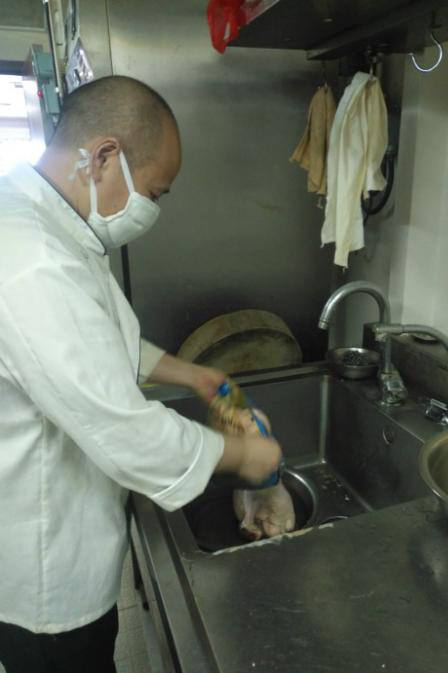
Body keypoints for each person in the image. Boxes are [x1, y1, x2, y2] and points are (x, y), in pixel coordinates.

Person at [0, 75, 281, 673]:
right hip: (48, 566)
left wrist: (193, 375)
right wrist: (247, 456)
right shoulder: (33, 261)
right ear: (104, 157)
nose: (153, 208)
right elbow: (123, 430)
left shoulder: (46, 220)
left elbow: (96, 339)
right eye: (155, 192)